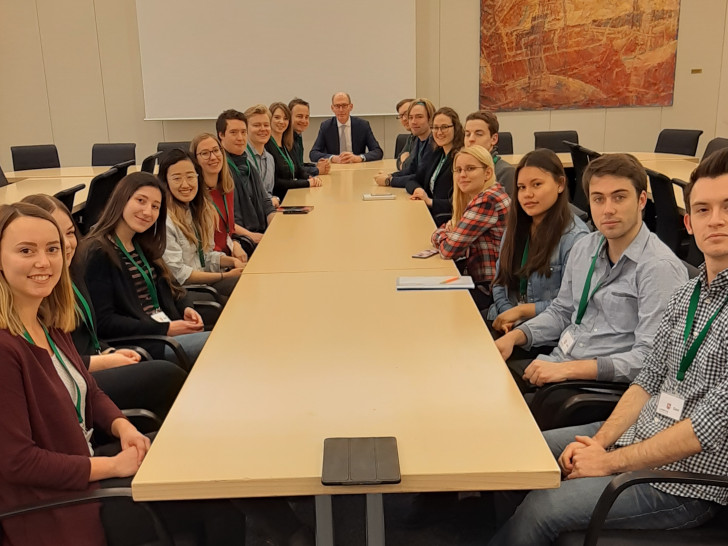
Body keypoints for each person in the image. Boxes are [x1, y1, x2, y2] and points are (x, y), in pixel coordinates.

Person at [488, 148, 728, 546]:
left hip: (689, 480)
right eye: (703, 209)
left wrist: (608, 460)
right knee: (517, 452)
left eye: (726, 207)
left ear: (641, 202)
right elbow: (648, 378)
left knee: (543, 509)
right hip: (637, 433)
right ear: (688, 221)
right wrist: (600, 442)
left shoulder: (662, 272)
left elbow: (711, 426)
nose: (715, 220)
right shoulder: (690, 293)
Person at [0, 202, 152, 545]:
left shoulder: (47, 321)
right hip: (51, 507)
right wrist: (113, 467)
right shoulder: (5, 349)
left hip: (85, 472)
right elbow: (18, 463)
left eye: (52, 249)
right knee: (204, 502)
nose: (44, 261)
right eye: (26, 250)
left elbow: (91, 391)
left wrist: (122, 425)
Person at [495, 154, 688, 397]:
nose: (608, 209)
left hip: (595, 390)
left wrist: (570, 370)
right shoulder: (586, 247)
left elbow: (650, 359)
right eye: (598, 199)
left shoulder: (658, 268)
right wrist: (517, 336)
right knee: (484, 383)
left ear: (641, 200)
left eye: (619, 197)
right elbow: (562, 311)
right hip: (558, 365)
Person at [21, 193, 187, 420]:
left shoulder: (71, 273)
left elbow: (90, 332)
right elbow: (50, 363)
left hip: (91, 363)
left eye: (70, 233)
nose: (66, 243)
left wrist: (106, 350)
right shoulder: (38, 286)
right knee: (169, 376)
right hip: (73, 379)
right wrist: (102, 360)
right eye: (55, 237)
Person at [78, 172, 210, 369]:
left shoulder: (142, 243)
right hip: (142, 342)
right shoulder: (99, 252)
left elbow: (173, 287)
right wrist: (165, 328)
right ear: (121, 199)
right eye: (141, 201)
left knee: (229, 332)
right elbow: (104, 322)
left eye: (155, 207)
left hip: (165, 330)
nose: (148, 212)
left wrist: (186, 308)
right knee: (220, 346)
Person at [487, 149, 589, 333]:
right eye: (522, 187)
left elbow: (571, 305)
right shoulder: (517, 224)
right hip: (506, 321)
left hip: (547, 333)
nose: (527, 194)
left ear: (560, 184)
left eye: (537, 185)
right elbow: (499, 281)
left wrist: (521, 312)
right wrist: (508, 315)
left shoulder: (575, 238)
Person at [431, 145, 510, 310]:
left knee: (435, 304)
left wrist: (439, 235)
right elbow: (453, 226)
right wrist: (449, 232)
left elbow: (448, 250)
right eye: (458, 170)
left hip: (493, 290)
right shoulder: (488, 193)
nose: (463, 175)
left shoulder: (487, 201)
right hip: (486, 282)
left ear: (487, 173)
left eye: (470, 169)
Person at [158, 148, 244, 300]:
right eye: (177, 179)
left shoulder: (200, 210)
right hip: (183, 294)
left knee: (249, 282)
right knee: (236, 302)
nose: (185, 184)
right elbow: (179, 275)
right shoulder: (165, 220)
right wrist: (223, 275)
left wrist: (232, 261)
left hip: (204, 285)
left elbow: (205, 256)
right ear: (165, 182)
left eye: (190, 176)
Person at [216, 110, 276, 254]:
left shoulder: (248, 165)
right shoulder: (219, 170)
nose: (240, 138)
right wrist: (251, 236)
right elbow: (222, 221)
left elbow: (266, 203)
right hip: (238, 241)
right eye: (234, 132)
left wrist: (276, 227)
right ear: (221, 135)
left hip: (257, 235)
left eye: (243, 132)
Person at [189, 132, 249, 262]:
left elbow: (229, 229)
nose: (213, 157)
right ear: (195, 160)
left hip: (230, 256)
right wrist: (229, 261)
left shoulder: (227, 189)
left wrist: (235, 244)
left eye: (216, 150)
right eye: (205, 153)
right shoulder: (195, 196)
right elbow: (203, 246)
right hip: (213, 263)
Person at [406, 106, 464, 225]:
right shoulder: (437, 154)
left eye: (444, 127)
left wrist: (430, 201)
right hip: (429, 215)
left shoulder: (461, 159)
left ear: (456, 128)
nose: (439, 132)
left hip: (447, 221)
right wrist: (418, 189)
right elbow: (413, 180)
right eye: (435, 128)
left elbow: (461, 201)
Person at [267, 101, 323, 200]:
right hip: (280, 200)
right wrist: (306, 183)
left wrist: (310, 178)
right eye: (277, 117)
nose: (281, 122)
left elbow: (298, 170)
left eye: (285, 118)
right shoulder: (267, 147)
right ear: (269, 120)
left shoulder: (288, 144)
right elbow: (276, 182)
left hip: (293, 195)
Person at [374, 98, 436, 188]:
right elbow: (410, 170)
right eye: (411, 117)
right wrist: (391, 175)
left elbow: (421, 178)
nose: (413, 122)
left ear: (430, 119)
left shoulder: (434, 143)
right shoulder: (419, 140)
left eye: (419, 117)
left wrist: (389, 181)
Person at [310, 92, 383, 163]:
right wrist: (333, 158)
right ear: (332, 108)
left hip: (357, 167)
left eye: (344, 105)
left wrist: (359, 158)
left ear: (350, 107)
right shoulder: (326, 126)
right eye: (337, 106)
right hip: (335, 168)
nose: (341, 110)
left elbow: (378, 151)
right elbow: (313, 154)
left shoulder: (362, 125)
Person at [464, 110, 515, 194]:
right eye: (467, 134)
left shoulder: (506, 172)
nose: (471, 139)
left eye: (479, 134)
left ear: (494, 139)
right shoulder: (462, 171)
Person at [243, 104, 278, 205]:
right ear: (246, 129)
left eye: (266, 125)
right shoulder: (242, 157)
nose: (263, 129)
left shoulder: (270, 159)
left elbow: (269, 192)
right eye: (257, 125)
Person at [288, 97, 330, 177]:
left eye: (306, 117)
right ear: (289, 117)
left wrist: (317, 165)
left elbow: (300, 164)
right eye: (299, 116)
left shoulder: (298, 136)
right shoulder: (287, 139)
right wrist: (317, 170)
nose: (304, 121)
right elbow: (294, 169)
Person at [395, 97, 416, 170]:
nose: (404, 119)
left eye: (406, 114)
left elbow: (413, 167)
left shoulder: (424, 138)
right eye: (401, 116)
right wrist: (404, 163)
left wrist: (404, 164)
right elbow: (398, 160)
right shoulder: (411, 137)